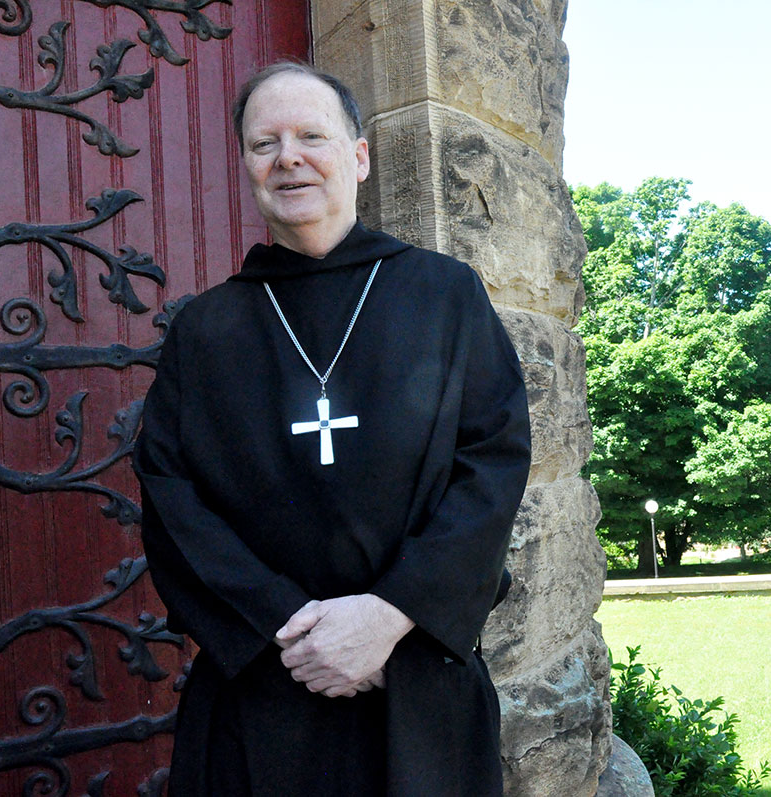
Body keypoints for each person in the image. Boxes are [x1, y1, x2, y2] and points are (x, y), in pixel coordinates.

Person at [133, 60, 531, 796]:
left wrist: (389, 614)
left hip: (416, 679)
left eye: (311, 135)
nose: (288, 157)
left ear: (359, 155)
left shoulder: (445, 295)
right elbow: (170, 496)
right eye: (265, 143)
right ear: (248, 165)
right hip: (263, 687)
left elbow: (495, 463)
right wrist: (292, 629)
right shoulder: (204, 329)